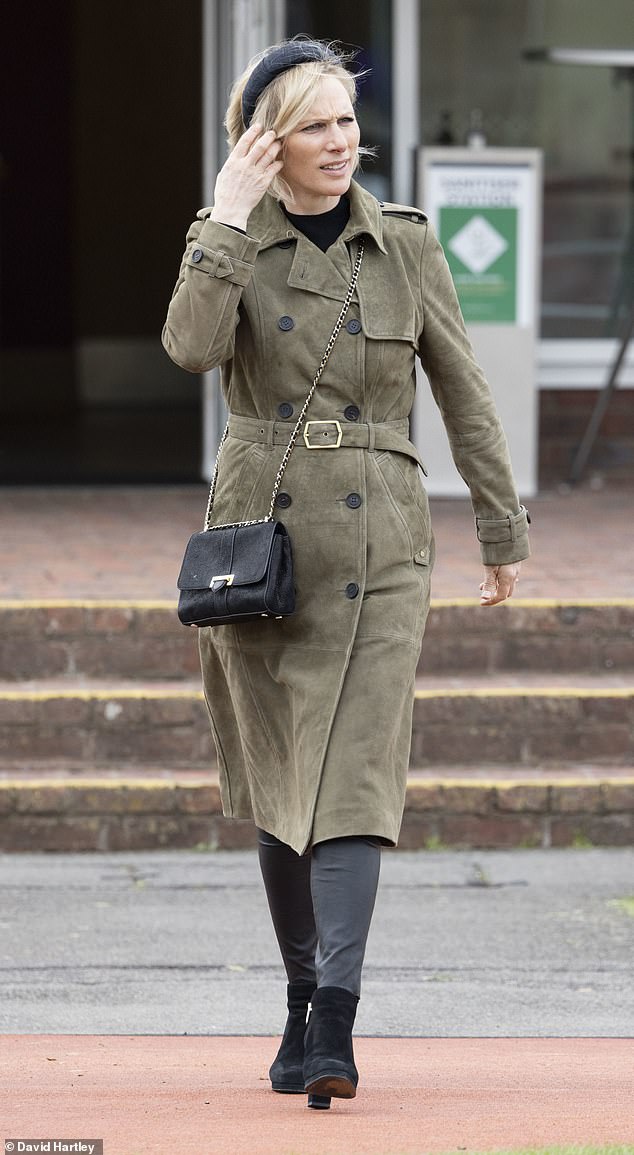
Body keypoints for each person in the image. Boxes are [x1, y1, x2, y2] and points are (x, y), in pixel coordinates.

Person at [162, 38, 529, 1108]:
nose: (340, 143)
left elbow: (463, 390)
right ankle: (294, 997)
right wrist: (226, 217)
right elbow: (188, 349)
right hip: (262, 545)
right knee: (285, 784)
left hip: (382, 542)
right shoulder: (226, 242)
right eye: (314, 125)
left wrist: (499, 530)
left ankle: (334, 1018)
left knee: (357, 775)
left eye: (346, 123)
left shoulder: (402, 244)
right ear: (264, 141)